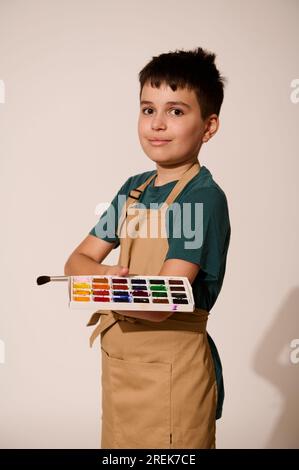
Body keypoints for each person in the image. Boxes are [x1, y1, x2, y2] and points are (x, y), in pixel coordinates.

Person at [64, 47, 231, 449]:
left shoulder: (200, 199)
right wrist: (108, 278)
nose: (157, 124)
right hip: (122, 366)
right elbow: (73, 263)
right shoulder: (133, 191)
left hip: (171, 374)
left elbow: (162, 302)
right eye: (147, 109)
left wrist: (96, 286)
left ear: (208, 127)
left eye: (175, 111)